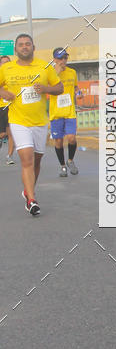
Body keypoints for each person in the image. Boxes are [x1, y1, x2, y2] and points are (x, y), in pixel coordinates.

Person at [0, 34, 63, 215]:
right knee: (26, 159)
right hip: (18, 120)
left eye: (28, 44)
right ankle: (32, 199)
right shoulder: (6, 68)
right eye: (21, 45)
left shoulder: (44, 67)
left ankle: (28, 191)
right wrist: (3, 92)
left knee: (36, 160)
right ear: (16, 50)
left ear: (33, 47)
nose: (24, 47)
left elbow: (59, 88)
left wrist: (46, 89)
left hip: (40, 122)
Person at [49, 47, 81, 177]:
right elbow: (47, 87)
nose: (63, 60)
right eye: (60, 58)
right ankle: (62, 165)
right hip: (56, 113)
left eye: (65, 58)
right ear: (55, 60)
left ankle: (70, 160)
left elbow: (76, 87)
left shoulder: (72, 72)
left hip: (69, 112)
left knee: (72, 138)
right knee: (58, 141)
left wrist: (78, 93)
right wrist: (56, 72)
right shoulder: (49, 73)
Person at [0, 54, 15, 165]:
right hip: (0, 108)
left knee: (11, 133)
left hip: (11, 107)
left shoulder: (13, 77)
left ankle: (9, 156)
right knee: (2, 134)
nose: (5, 64)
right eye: (3, 62)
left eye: (7, 62)